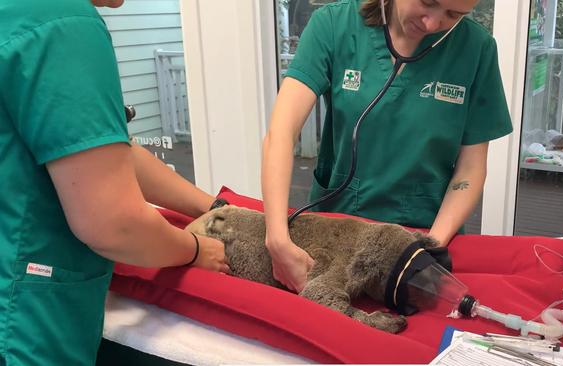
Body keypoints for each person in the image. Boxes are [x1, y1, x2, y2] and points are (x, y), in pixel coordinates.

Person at [0, 0, 229, 364]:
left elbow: (101, 148)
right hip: (22, 324)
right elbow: (115, 224)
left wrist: (213, 207)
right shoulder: (61, 24)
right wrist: (196, 250)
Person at [261, 0, 513, 293]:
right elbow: (281, 132)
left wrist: (428, 248)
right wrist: (277, 238)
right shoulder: (332, 26)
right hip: (333, 232)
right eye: (428, 2)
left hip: (421, 238)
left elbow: (471, 168)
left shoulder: (476, 49)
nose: (432, 23)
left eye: (453, 15)